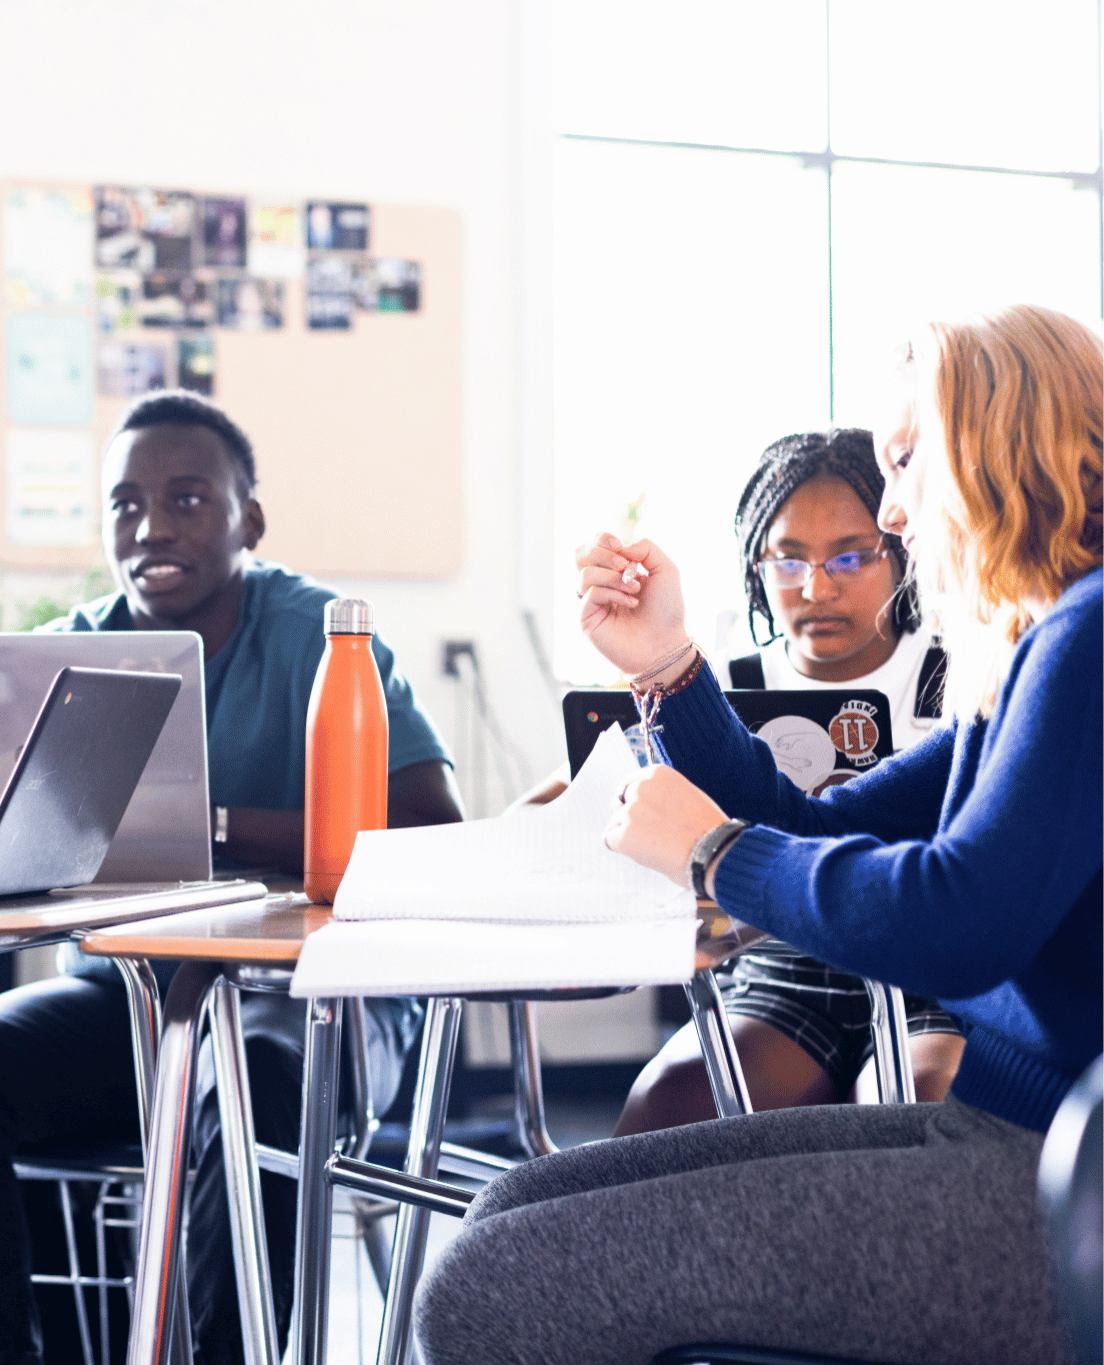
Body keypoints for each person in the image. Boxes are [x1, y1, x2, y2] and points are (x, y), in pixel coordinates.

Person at [420, 303, 1101, 1365]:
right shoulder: (1038, 647)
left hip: (1054, 1180)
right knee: (507, 1208)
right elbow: (813, 822)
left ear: (994, 449)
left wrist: (709, 852)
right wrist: (664, 667)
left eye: (909, 464)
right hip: (1004, 1135)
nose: (899, 512)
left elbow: (961, 922)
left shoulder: (1087, 638)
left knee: (491, 1285)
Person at [0, 390, 462, 1365]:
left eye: (188, 498)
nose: (149, 526)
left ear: (250, 519)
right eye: (123, 503)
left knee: (238, 1081)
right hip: (131, 1004)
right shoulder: (75, 648)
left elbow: (426, 828)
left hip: (307, 1005)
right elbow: (4, 843)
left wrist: (211, 827)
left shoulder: (323, 634)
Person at [613, 428, 965, 1136]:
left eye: (849, 556)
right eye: (788, 560)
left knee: (913, 1108)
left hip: (927, 960)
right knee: (667, 1109)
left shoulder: (961, 670)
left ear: (899, 547)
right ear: (755, 565)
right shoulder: (722, 688)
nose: (817, 587)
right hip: (783, 959)